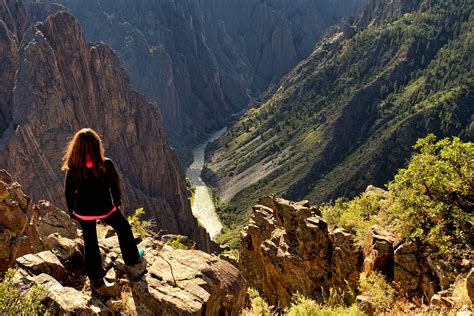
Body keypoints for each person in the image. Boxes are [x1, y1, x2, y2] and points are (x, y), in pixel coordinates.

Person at [62, 128, 145, 292]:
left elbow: (68, 192)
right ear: (96, 146)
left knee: (90, 240)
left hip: (83, 212)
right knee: (123, 227)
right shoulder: (105, 164)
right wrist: (117, 202)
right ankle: (132, 259)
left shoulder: (73, 168)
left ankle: (95, 276)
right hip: (104, 209)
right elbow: (115, 184)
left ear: (75, 148)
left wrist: (72, 212)